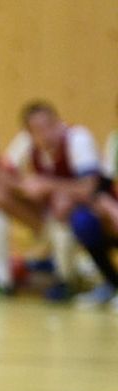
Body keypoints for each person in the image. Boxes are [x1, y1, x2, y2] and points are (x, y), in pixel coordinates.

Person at [0, 100, 100, 299]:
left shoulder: (78, 138)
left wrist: (47, 185)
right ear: (29, 132)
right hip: (47, 215)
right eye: (38, 130)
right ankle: (1, 279)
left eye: (50, 126)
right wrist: (24, 186)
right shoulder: (26, 142)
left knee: (63, 205)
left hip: (85, 212)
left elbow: (90, 188)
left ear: (59, 122)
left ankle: (69, 278)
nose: (46, 134)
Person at [70, 95, 118, 310]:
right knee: (84, 220)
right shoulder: (115, 141)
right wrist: (109, 207)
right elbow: (103, 186)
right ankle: (112, 283)